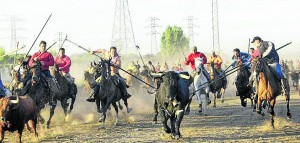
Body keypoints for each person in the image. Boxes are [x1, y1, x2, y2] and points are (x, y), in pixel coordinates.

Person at [26, 41, 55, 105]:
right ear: (39, 46)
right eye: (42, 46)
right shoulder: (35, 54)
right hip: (35, 72)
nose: (43, 47)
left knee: (52, 82)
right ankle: (24, 94)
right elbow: (30, 64)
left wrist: (44, 63)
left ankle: (51, 99)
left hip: (45, 72)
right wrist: (34, 60)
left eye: (44, 46)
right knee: (26, 81)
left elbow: (52, 63)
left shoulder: (48, 54)